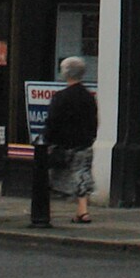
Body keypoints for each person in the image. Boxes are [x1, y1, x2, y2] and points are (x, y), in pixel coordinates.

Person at [42, 55, 99, 223]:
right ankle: (83, 210)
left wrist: (48, 140)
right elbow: (93, 121)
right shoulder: (89, 97)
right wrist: (90, 137)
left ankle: (44, 211)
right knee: (82, 175)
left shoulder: (60, 97)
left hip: (63, 144)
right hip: (84, 143)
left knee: (52, 177)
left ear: (66, 73)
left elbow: (52, 121)